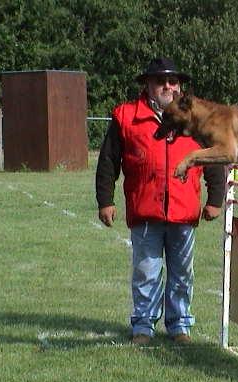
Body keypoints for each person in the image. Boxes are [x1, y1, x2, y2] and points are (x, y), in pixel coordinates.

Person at [95, 57, 225, 346]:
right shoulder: (126, 116)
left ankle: (179, 326)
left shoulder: (197, 118)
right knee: (146, 272)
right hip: (145, 210)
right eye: (160, 81)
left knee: (182, 274)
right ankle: (143, 326)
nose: (167, 86)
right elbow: (108, 161)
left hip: (184, 210)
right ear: (148, 85)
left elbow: (215, 156)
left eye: (173, 81)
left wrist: (216, 197)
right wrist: (105, 199)